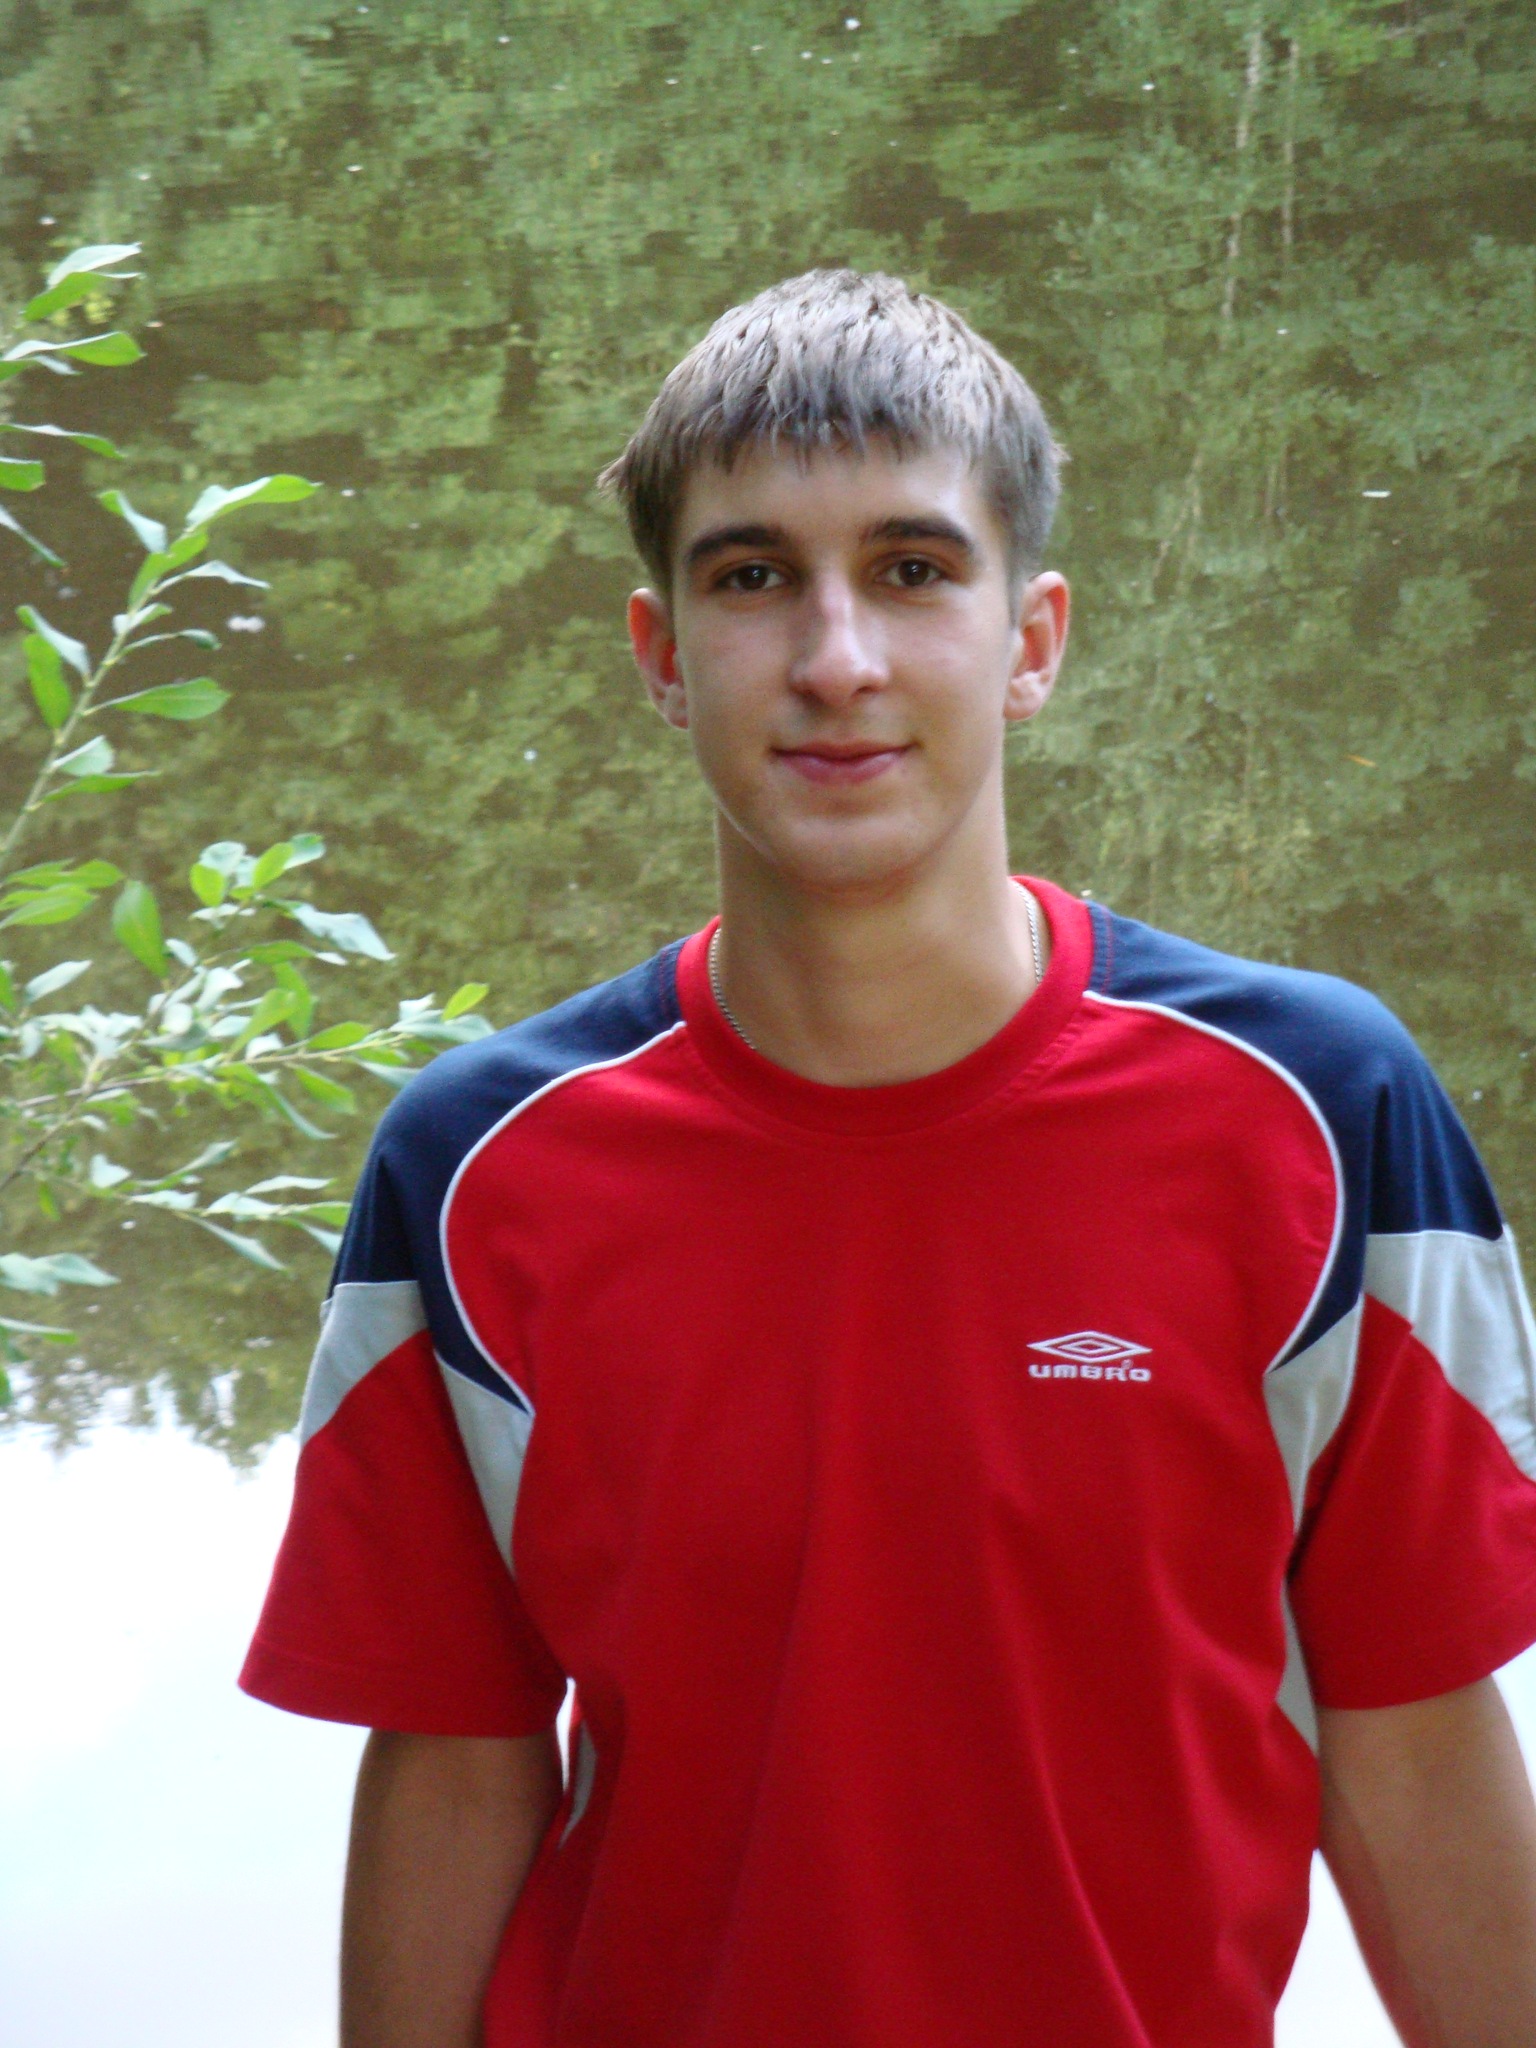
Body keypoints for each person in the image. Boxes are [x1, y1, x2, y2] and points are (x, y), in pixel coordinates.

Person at [241, 270, 1536, 2048]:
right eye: (753, 577)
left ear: (1032, 640)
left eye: (914, 570)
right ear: (661, 654)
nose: (836, 659)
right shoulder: (474, 1173)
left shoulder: (1321, 1112)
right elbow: (459, 1765)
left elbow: (1412, 1737)